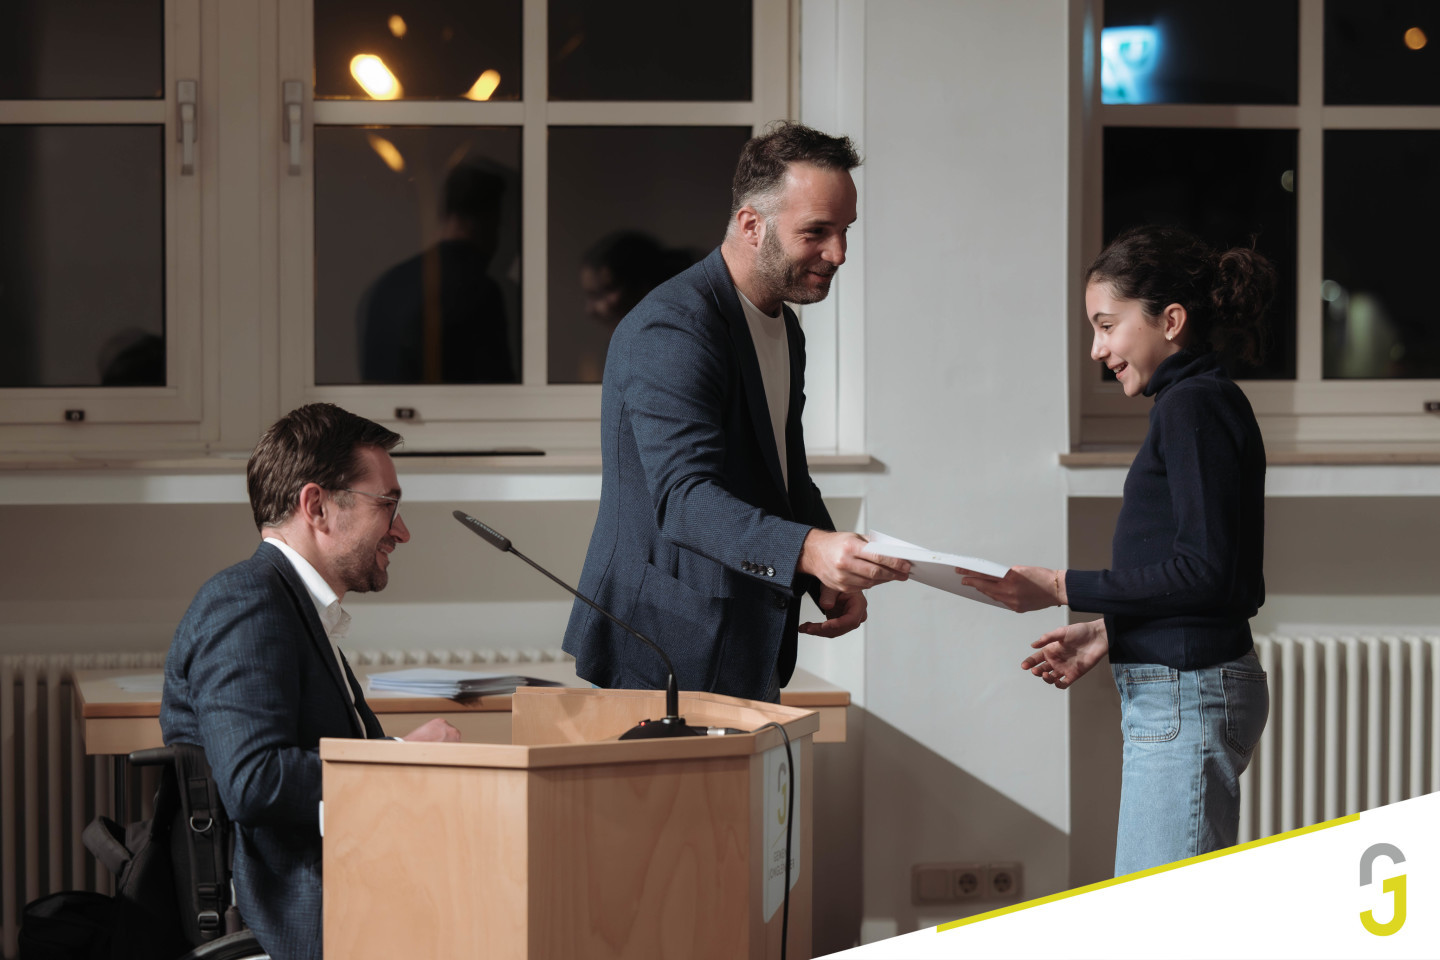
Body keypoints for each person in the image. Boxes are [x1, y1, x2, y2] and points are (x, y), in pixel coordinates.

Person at [961, 225, 1274, 875]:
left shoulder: (1193, 406)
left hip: (1188, 692)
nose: (1097, 349)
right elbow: (1209, 574)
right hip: (1186, 686)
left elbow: (1208, 573)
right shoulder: (1193, 403)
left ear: (1171, 321)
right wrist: (1112, 628)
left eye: (1107, 326)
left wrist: (1058, 585)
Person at [564, 122, 910, 703]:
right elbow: (685, 499)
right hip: (661, 650)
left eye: (845, 230)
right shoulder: (673, 327)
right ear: (752, 225)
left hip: (743, 636)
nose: (839, 254)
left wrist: (823, 570)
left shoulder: (784, 327)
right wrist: (810, 550)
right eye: (816, 232)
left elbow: (783, 475)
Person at [160, 403, 460, 960]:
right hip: (301, 916)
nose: (402, 531)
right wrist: (400, 757)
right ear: (317, 506)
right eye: (388, 505)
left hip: (349, 888)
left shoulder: (288, 604)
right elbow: (253, 780)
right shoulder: (247, 602)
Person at [358, 160, 518, 384]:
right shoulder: (481, 293)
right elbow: (497, 391)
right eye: (503, 225)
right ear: (489, 220)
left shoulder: (386, 287)